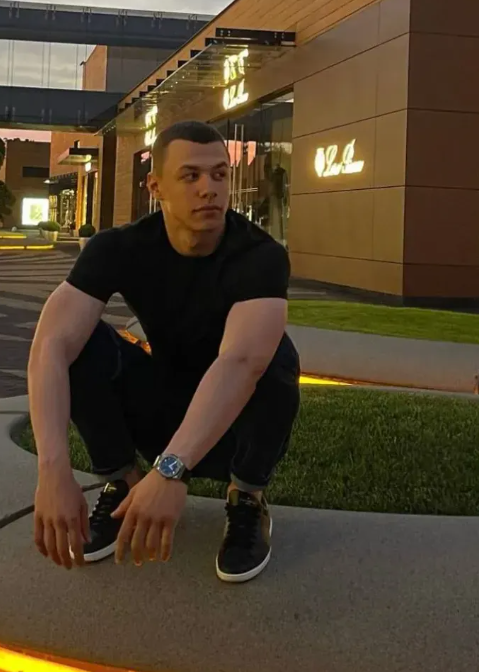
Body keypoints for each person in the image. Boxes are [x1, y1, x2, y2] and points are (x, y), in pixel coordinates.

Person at [28, 120, 300, 584]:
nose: (209, 188)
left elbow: (241, 364)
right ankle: (124, 483)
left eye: (219, 174)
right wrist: (52, 470)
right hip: (163, 404)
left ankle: (247, 499)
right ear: (156, 187)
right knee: (80, 342)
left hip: (236, 424)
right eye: (190, 175)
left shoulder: (260, 255)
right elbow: (49, 346)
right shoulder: (119, 248)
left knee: (273, 356)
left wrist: (171, 471)